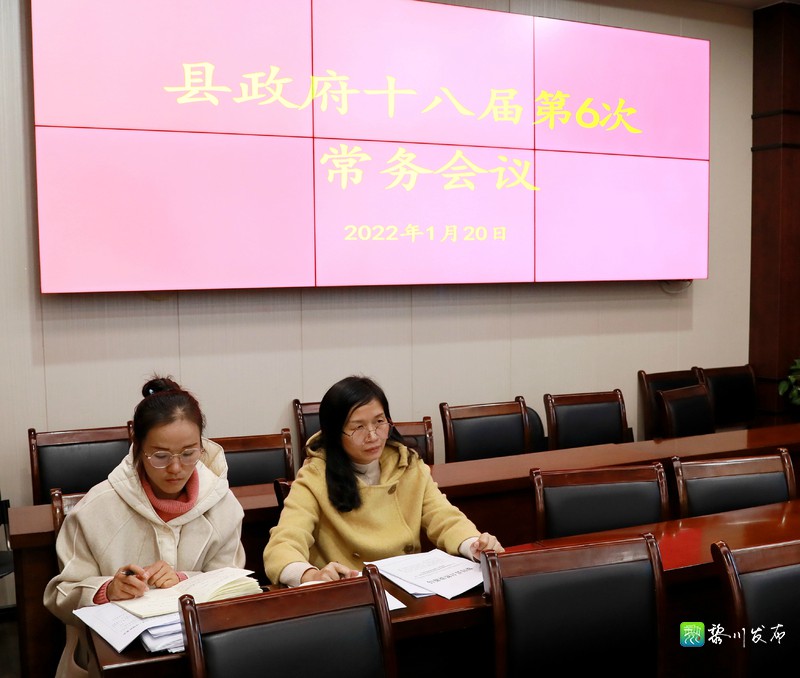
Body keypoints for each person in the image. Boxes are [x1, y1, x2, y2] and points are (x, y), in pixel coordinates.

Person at [44, 376, 245, 677]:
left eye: (189, 453)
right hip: (118, 661)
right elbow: (60, 595)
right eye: (160, 456)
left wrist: (183, 579)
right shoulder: (96, 509)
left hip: (200, 654)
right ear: (138, 448)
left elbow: (231, 584)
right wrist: (107, 590)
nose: (175, 468)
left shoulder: (223, 506)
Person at [264, 375, 503, 586]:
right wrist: (310, 575)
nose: (372, 436)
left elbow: (445, 519)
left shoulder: (407, 464)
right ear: (335, 434)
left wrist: (474, 544)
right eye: (358, 427)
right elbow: (282, 545)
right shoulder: (315, 476)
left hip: (410, 589)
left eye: (379, 422)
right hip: (355, 596)